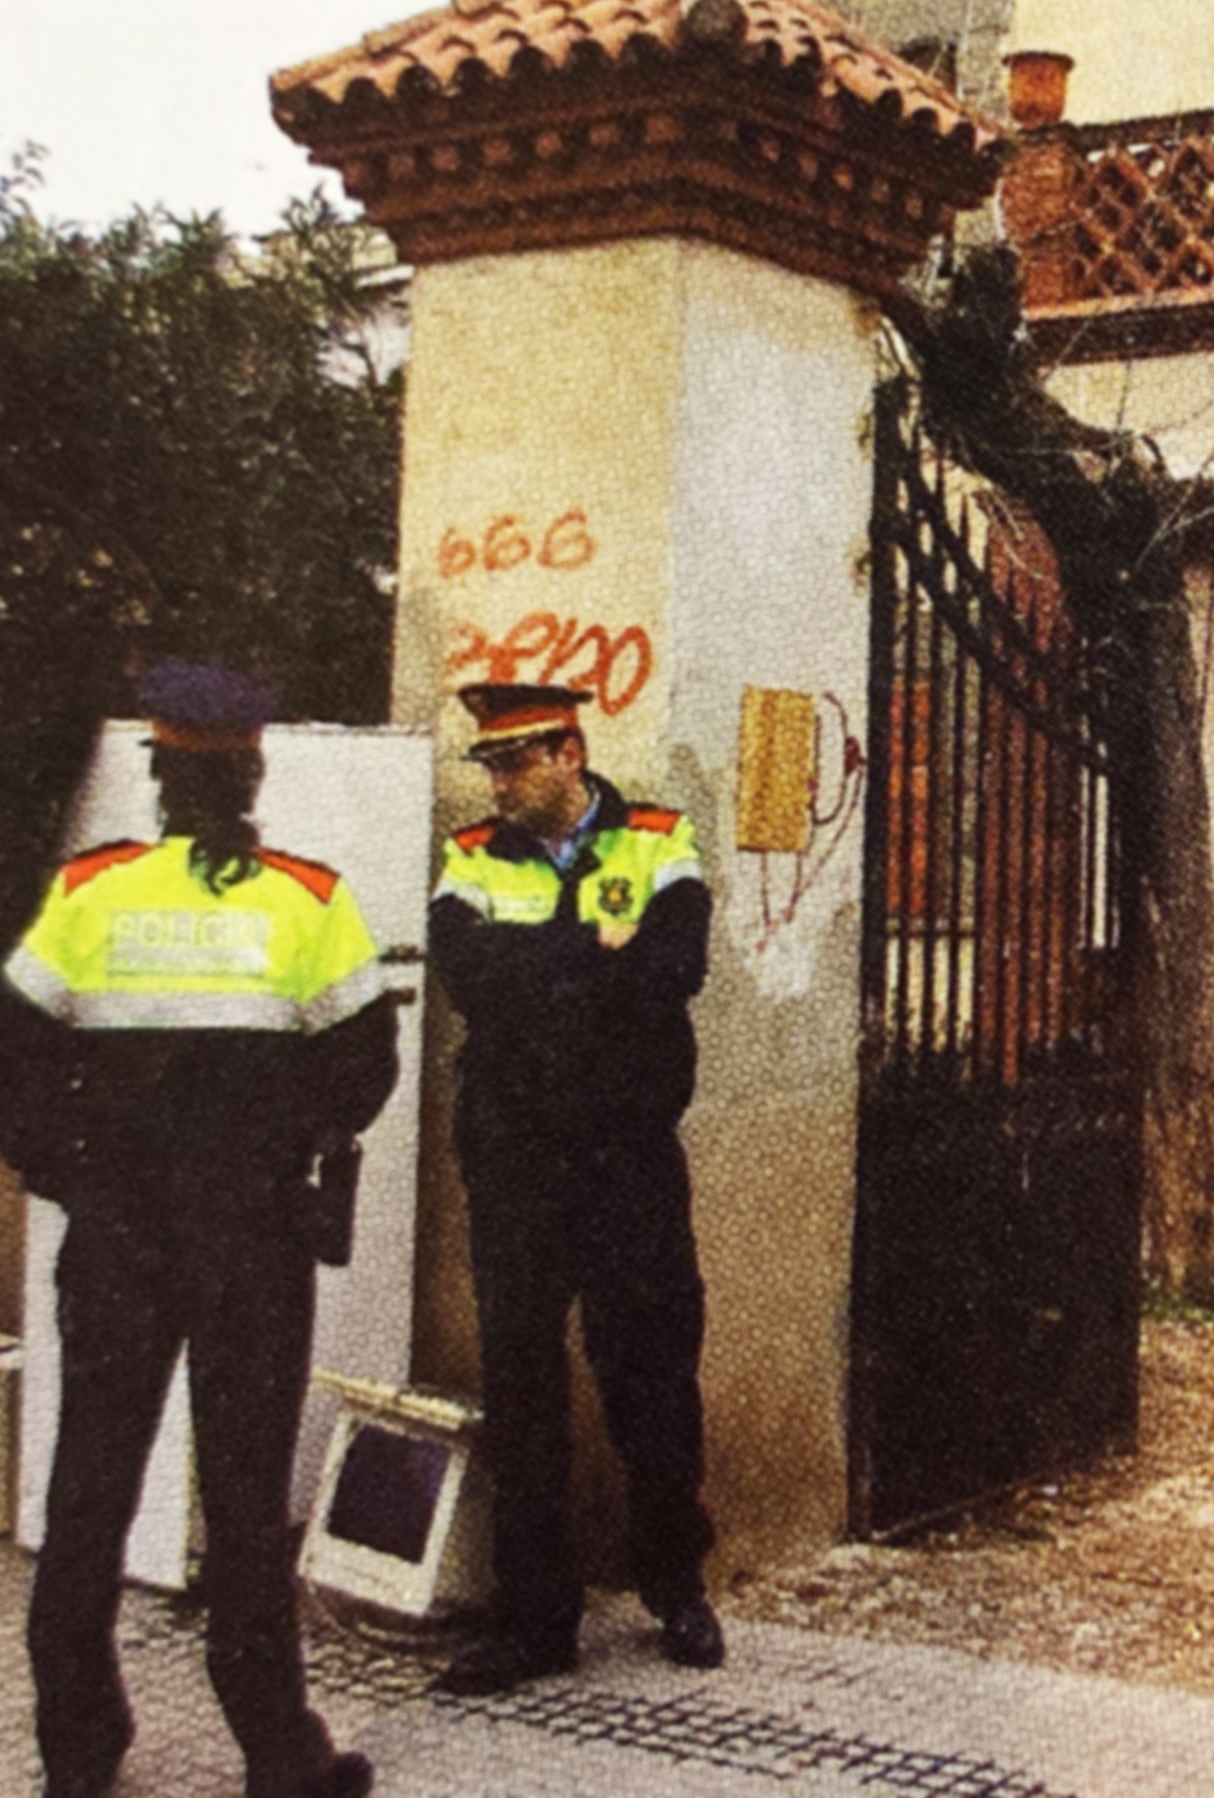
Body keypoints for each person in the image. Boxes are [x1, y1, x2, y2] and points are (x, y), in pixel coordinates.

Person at [0, 663, 395, 1798]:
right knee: (248, 1499)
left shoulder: (92, 891)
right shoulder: (310, 898)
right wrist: (282, 1139)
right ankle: (275, 1750)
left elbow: (13, 1053)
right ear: (253, 771)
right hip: (252, 1240)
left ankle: (77, 1749)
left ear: (158, 776)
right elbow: (366, 1067)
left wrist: (68, 1170)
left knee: (90, 1487)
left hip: (117, 1234)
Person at [428, 680, 724, 1692]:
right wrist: (588, 949)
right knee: (521, 1384)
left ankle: (676, 1582)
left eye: (516, 761)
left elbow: (676, 965)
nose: (500, 782)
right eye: (491, 765)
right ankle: (534, 1618)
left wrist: (552, 969)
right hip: (515, 1155)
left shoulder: (655, 836)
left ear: (569, 750)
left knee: (651, 1369)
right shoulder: (473, 855)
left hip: (627, 1153)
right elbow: (468, 976)